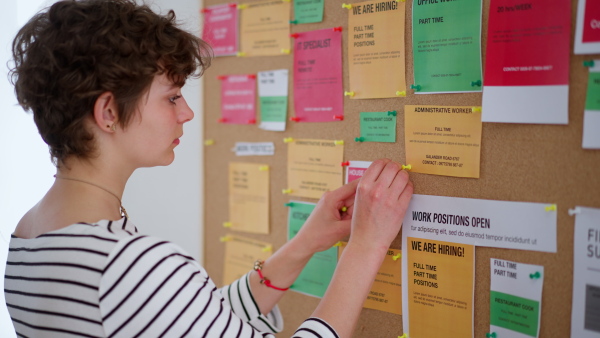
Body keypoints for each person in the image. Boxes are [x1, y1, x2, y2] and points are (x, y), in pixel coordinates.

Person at [4, 0, 414, 337]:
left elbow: (194, 320)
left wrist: (304, 245)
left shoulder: (30, 234)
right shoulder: (128, 264)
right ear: (109, 112)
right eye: (171, 97)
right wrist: (365, 246)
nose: (187, 112)